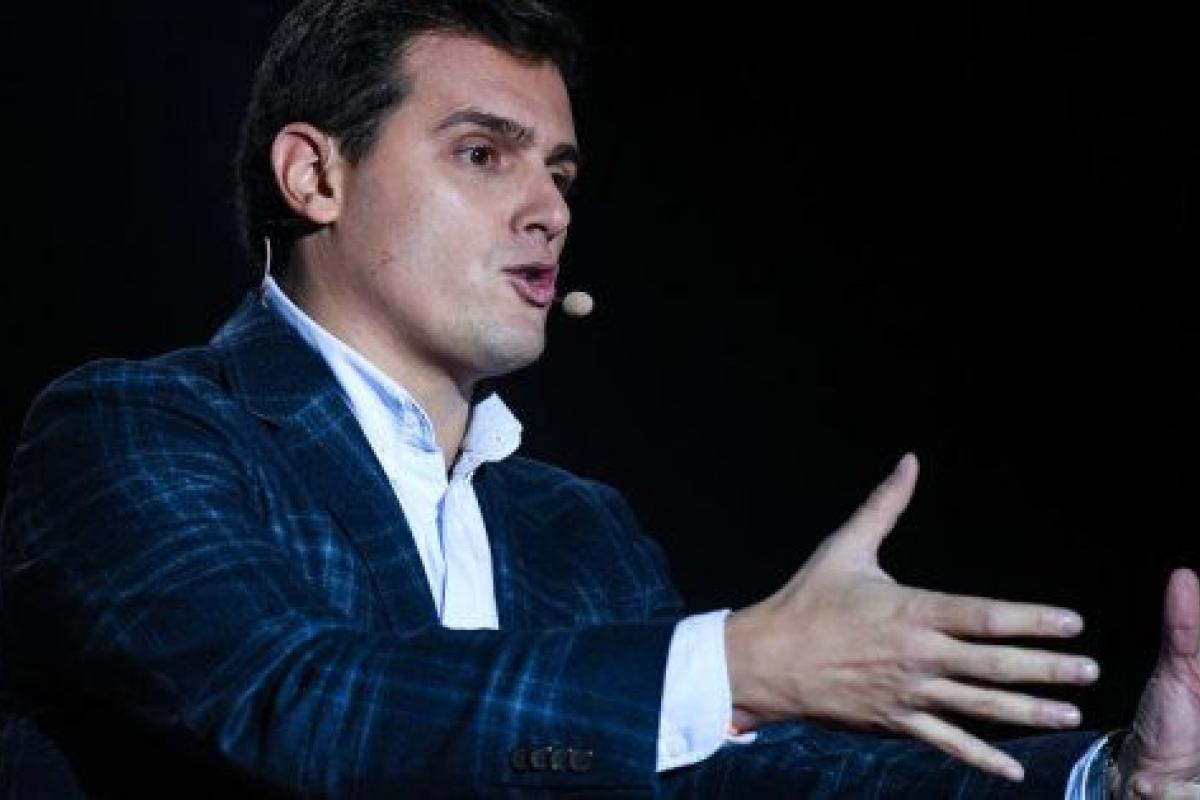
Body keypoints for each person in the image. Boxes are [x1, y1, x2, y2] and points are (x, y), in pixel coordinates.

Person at [0, 0, 1196, 796]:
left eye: (561, 171)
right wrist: (733, 662)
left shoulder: (577, 524)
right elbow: (289, 703)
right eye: (483, 153)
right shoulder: (131, 429)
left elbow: (725, 775)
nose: (551, 210)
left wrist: (1106, 778)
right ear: (316, 174)